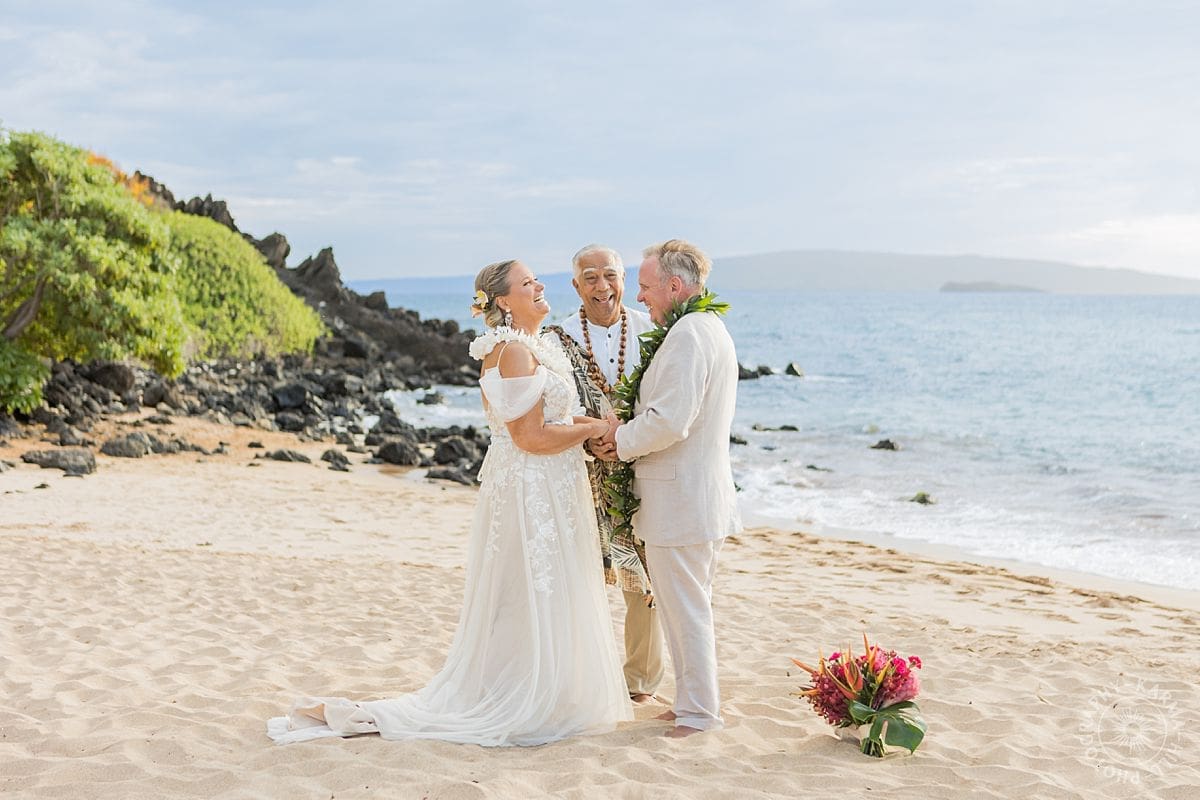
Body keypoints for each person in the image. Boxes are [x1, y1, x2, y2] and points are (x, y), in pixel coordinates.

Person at [267, 259, 632, 747]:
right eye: (527, 283)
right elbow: (529, 437)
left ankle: (556, 685)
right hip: (533, 486)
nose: (539, 285)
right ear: (503, 301)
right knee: (531, 588)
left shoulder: (536, 346)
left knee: (549, 587)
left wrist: (589, 429)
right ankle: (525, 690)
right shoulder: (513, 353)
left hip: (554, 482)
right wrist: (591, 430)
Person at [596, 239, 741, 739]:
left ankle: (701, 713)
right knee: (681, 609)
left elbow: (670, 421)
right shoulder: (704, 328)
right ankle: (689, 703)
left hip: (682, 501)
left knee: (687, 611)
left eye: (645, 287)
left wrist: (618, 440)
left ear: (675, 286)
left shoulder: (689, 334)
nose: (640, 297)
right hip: (692, 498)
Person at [544, 243, 665, 706]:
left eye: (610, 275)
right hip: (582, 473)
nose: (602, 286)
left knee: (645, 579)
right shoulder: (556, 340)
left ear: (624, 279)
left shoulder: (651, 330)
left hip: (644, 469)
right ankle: (580, 679)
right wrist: (590, 435)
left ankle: (640, 683)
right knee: (582, 575)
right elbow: (554, 400)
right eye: (590, 277)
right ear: (576, 286)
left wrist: (628, 437)